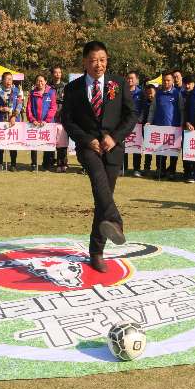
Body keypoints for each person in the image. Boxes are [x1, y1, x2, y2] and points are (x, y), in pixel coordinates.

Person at [60, 41, 137, 273]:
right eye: (93, 60)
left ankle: (96, 252)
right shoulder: (73, 88)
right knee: (98, 182)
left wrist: (114, 137)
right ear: (85, 62)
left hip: (113, 147)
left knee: (103, 198)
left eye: (102, 60)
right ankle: (116, 222)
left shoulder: (118, 84)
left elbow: (131, 115)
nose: (98, 65)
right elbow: (68, 120)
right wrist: (87, 140)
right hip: (88, 147)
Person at [147, 72, 181, 180]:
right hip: (159, 128)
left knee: (173, 152)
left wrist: (182, 123)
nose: (166, 82)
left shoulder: (177, 93)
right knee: (160, 151)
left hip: (174, 128)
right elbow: (152, 109)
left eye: (168, 80)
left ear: (172, 81)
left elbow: (181, 110)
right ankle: (160, 170)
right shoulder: (158, 94)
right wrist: (149, 121)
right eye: (164, 80)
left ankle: (172, 171)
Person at [0, 71, 23, 172]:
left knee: (13, 143)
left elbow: (20, 104)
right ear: (2, 80)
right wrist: (0, 108)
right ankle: (0, 164)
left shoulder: (17, 90)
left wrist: (14, 115)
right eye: (6, 79)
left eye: (10, 79)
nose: (9, 81)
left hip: (13, 120)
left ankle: (13, 164)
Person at [26, 74, 57, 171]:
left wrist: (46, 120)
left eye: (41, 81)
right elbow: (29, 108)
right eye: (37, 81)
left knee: (47, 144)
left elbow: (53, 107)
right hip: (35, 123)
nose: (39, 83)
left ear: (45, 81)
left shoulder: (51, 92)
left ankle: (47, 164)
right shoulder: (32, 93)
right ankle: (34, 164)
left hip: (48, 123)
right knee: (33, 144)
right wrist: (32, 119)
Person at [123, 71, 146, 177]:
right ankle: (123, 167)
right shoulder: (122, 91)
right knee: (123, 146)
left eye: (132, 78)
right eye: (128, 78)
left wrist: (139, 120)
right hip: (124, 123)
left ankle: (137, 169)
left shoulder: (141, 93)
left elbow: (144, 108)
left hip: (137, 124)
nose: (130, 80)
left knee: (136, 147)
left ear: (137, 80)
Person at [49, 66, 69, 173]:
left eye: (59, 72)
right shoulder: (48, 87)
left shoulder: (66, 86)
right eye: (55, 72)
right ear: (52, 74)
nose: (57, 74)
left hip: (62, 116)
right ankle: (50, 161)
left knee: (63, 141)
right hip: (50, 116)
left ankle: (63, 163)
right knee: (51, 140)